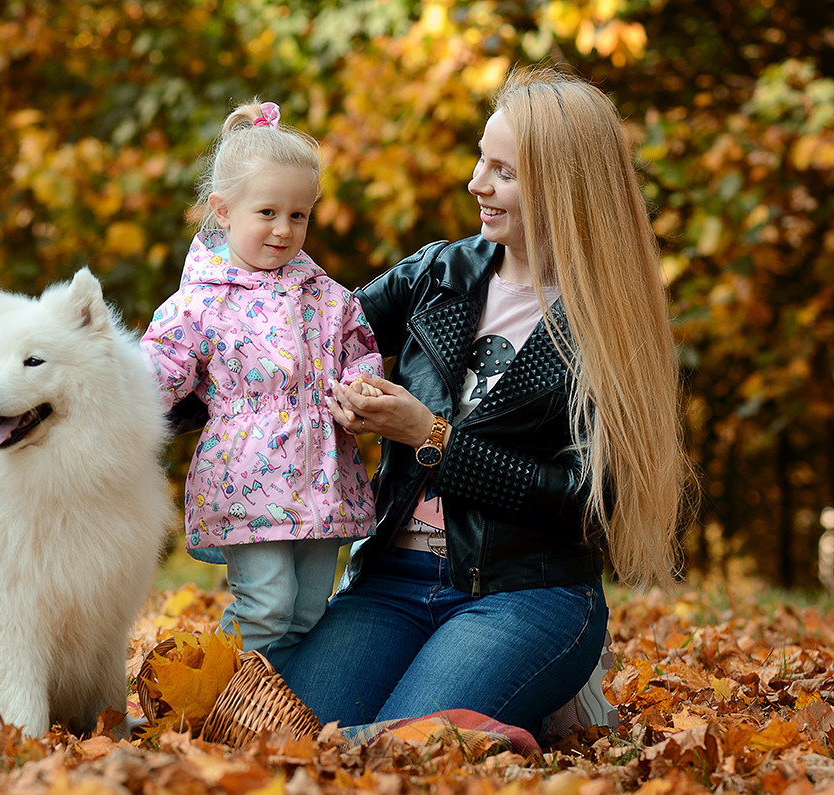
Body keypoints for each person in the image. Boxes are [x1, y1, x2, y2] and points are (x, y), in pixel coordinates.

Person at [280, 66, 692, 739]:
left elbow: (588, 501)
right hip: (392, 578)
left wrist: (431, 434)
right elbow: (312, 337)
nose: (476, 182)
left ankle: (509, 716)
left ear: (562, 188)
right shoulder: (440, 273)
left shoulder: (610, 324)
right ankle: (497, 726)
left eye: (501, 171)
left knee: (399, 754)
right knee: (285, 740)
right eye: (481, 158)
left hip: (527, 594)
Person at [141, 99, 384, 670]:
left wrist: (362, 384)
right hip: (247, 474)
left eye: (298, 216)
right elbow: (160, 365)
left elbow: (360, 350)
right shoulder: (199, 301)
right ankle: (216, 696)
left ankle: (278, 701)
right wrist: (120, 406)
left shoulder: (326, 294)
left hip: (323, 472)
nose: (283, 229)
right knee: (267, 606)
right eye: (268, 212)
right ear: (222, 211)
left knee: (307, 611)